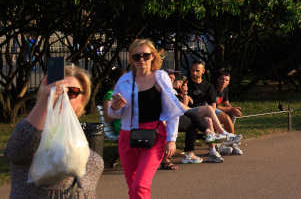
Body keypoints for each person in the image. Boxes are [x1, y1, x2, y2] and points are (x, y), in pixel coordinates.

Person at [6, 64, 104, 198]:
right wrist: (43, 103)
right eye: (59, 90)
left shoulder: (78, 140)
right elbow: (15, 152)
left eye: (72, 92)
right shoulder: (31, 132)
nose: (64, 96)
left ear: (81, 99)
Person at [107, 39, 187, 199]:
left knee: (140, 185)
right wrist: (114, 108)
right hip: (127, 137)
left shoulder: (161, 77)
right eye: (137, 57)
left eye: (146, 55)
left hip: (155, 137)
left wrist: (171, 139)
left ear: (153, 57)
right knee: (133, 188)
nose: (141, 59)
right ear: (131, 59)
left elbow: (171, 110)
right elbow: (113, 114)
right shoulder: (123, 81)